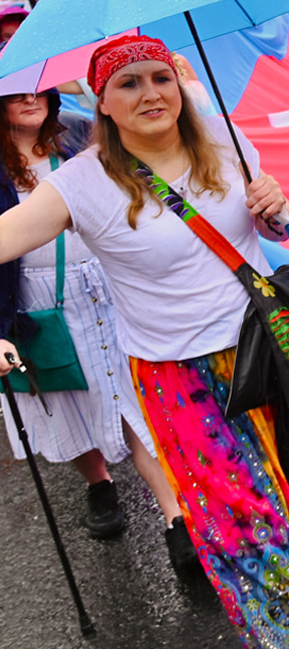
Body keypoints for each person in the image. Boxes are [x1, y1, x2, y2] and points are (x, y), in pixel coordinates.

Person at [0, 35, 289, 649]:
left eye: (160, 78)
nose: (151, 94)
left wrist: (276, 210)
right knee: (251, 528)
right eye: (128, 85)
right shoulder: (81, 185)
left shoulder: (223, 141)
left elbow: (264, 226)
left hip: (264, 357)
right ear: (100, 104)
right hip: (179, 384)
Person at [0, 88, 191, 567]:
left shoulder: (80, 141)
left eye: (35, 92)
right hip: (34, 301)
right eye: (13, 95)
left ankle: (175, 519)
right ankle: (98, 483)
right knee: (68, 400)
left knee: (132, 398)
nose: (29, 101)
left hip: (107, 287)